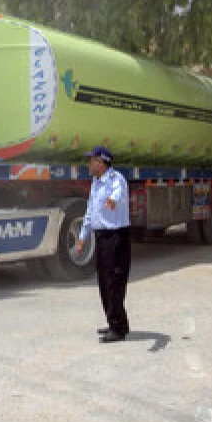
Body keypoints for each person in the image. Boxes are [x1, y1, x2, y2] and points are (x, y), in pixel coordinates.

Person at [75, 146, 131, 343]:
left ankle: (118, 329)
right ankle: (115, 322)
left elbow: (118, 192)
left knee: (114, 282)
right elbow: (90, 211)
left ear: (101, 161)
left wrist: (112, 200)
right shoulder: (95, 182)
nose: (88, 164)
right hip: (101, 238)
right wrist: (82, 237)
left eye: (91, 160)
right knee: (104, 282)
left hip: (116, 238)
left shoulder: (116, 179)